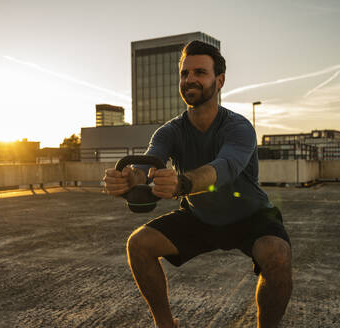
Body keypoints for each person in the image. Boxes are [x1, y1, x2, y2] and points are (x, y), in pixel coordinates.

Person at [103, 40, 292, 328]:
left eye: (200, 72)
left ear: (219, 81)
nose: (189, 79)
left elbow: (224, 167)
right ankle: (166, 325)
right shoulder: (170, 131)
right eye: (184, 73)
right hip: (200, 217)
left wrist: (182, 183)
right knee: (139, 245)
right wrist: (131, 178)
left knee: (277, 255)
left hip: (251, 216)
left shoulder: (238, 127)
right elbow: (149, 162)